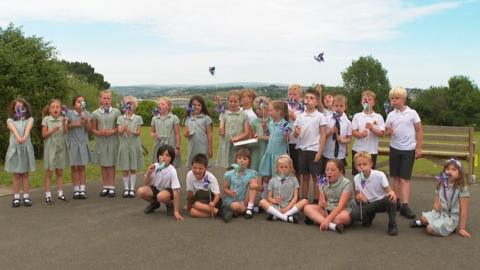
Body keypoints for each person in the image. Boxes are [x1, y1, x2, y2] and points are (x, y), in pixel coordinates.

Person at [385, 86, 423, 219]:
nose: (394, 101)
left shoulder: (412, 113)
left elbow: (419, 130)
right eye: (392, 99)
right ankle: (396, 202)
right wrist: (389, 131)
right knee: (395, 177)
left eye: (397, 98)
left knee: (405, 178)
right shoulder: (390, 115)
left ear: (403, 99)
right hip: (394, 148)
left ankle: (405, 206)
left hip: (408, 149)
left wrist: (418, 148)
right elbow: (387, 132)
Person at [410, 159, 471, 238]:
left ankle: (449, 228)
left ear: (459, 174)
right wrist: (437, 207)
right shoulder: (441, 185)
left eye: (453, 170)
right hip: (440, 213)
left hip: (450, 217)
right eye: (447, 169)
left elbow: (464, 210)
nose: (450, 171)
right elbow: (435, 204)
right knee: (423, 219)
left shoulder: (462, 188)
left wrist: (462, 228)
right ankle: (437, 225)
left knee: (429, 229)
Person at [351, 151, 398, 236]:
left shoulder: (380, 175)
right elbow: (358, 195)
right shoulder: (356, 178)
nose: (362, 167)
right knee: (355, 214)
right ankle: (369, 216)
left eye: (364, 164)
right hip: (368, 203)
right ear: (355, 166)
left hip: (381, 202)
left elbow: (389, 191)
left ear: (371, 164)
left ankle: (392, 224)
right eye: (359, 165)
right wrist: (360, 198)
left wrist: (392, 192)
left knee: (390, 198)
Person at [293, 89, 327, 204]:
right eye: (306, 98)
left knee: (316, 177)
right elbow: (295, 133)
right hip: (302, 150)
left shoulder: (320, 116)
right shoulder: (299, 116)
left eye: (311, 98)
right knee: (305, 177)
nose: (308, 100)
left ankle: (317, 200)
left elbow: (323, 135)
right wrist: (296, 133)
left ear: (317, 102)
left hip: (314, 149)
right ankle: (304, 199)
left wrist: (319, 152)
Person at [303, 159, 355, 233]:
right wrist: (321, 199)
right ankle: (333, 226)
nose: (329, 172)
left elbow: (341, 206)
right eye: (327, 170)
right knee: (307, 208)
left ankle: (320, 220)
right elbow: (321, 204)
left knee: (344, 217)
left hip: (343, 210)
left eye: (333, 170)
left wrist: (328, 219)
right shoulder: (323, 181)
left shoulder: (346, 183)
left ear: (340, 171)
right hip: (329, 208)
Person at [137, 145, 183, 221]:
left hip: (168, 191)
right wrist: (148, 173)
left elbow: (176, 191)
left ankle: (169, 205)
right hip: (156, 188)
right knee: (140, 191)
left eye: (167, 155)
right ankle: (154, 204)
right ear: (158, 156)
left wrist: (176, 211)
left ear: (171, 158)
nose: (164, 157)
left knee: (161, 196)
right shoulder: (155, 166)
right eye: (161, 155)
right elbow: (145, 184)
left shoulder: (172, 170)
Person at [259, 155, 309, 223]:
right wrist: (274, 200)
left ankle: (277, 216)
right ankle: (286, 217)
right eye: (281, 167)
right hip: (277, 206)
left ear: (290, 168)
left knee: (305, 201)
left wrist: (288, 207)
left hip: (289, 205)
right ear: (277, 168)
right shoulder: (272, 180)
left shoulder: (294, 179)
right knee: (262, 202)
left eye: (286, 167)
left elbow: (295, 197)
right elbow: (269, 197)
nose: (283, 169)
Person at [5, 98, 35, 207]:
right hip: (15, 149)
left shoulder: (30, 119)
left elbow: (28, 129)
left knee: (25, 174)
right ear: (14, 109)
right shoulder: (10, 120)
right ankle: (16, 197)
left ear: (26, 108)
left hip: (25, 148)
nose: (19, 108)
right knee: (17, 174)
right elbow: (12, 129)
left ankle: (26, 196)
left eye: (22, 106)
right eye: (17, 107)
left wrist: (24, 137)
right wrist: (18, 137)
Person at [91, 89, 121, 197]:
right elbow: (93, 129)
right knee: (104, 164)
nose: (106, 101)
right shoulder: (95, 113)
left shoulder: (116, 112)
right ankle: (105, 186)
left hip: (112, 140)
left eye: (108, 98)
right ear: (100, 99)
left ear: (111, 99)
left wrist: (111, 131)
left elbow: (118, 127)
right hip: (101, 141)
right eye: (104, 98)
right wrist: (100, 132)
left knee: (111, 164)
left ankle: (112, 186)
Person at [258, 100, 290, 198]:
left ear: (279, 111)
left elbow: (287, 140)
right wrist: (264, 129)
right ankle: (264, 199)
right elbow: (271, 136)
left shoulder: (285, 124)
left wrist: (286, 135)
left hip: (279, 156)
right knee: (266, 177)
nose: (269, 112)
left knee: (278, 179)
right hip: (269, 154)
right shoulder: (271, 123)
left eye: (271, 110)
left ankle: (278, 199)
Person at [351, 90, 385, 176]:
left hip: (371, 151)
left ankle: (367, 190)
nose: (367, 102)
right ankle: (358, 190)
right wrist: (361, 134)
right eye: (365, 100)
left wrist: (373, 129)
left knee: (369, 176)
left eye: (369, 100)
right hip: (358, 150)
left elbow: (381, 133)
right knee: (358, 176)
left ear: (374, 102)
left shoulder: (378, 117)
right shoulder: (357, 116)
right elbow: (353, 132)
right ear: (361, 102)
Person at [42, 99, 69, 204]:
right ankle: (48, 195)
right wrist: (52, 130)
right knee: (49, 172)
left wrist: (64, 123)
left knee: (59, 172)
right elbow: (43, 135)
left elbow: (66, 132)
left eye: (57, 107)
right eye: (53, 107)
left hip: (61, 148)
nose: (55, 109)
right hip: (50, 148)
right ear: (49, 110)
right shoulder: (46, 120)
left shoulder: (63, 118)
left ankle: (60, 193)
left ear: (61, 109)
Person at [222, 148, 260, 222]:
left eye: (245, 159)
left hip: (245, 199)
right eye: (239, 158)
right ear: (236, 160)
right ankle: (251, 209)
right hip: (233, 200)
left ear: (249, 161)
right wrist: (230, 192)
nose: (242, 161)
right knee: (236, 206)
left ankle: (249, 207)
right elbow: (225, 188)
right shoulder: (229, 174)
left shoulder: (252, 173)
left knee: (253, 183)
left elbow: (261, 189)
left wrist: (255, 186)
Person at [117, 96, 144, 198]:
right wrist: (123, 128)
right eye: (127, 104)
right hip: (124, 146)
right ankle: (126, 188)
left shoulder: (138, 118)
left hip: (134, 146)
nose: (129, 106)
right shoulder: (120, 118)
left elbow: (138, 133)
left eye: (131, 104)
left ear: (135, 106)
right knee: (125, 168)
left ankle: (132, 188)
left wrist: (130, 131)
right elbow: (119, 132)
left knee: (133, 167)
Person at [216, 90, 250, 168]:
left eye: (235, 101)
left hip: (238, 144)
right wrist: (221, 129)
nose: (233, 103)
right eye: (230, 101)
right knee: (226, 166)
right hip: (226, 144)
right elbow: (221, 125)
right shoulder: (224, 113)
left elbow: (247, 132)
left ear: (240, 102)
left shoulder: (244, 115)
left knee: (237, 166)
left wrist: (236, 138)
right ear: (228, 101)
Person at [320, 94, 352, 174]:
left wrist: (343, 140)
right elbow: (322, 136)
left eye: (341, 106)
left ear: (345, 107)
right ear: (333, 106)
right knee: (326, 176)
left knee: (340, 176)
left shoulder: (347, 123)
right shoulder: (326, 120)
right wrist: (330, 132)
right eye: (336, 105)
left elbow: (349, 138)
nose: (338, 108)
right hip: (327, 154)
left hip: (340, 155)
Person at [67, 95, 91, 199]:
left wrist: (85, 121)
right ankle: (76, 190)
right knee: (74, 167)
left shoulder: (87, 114)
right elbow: (65, 127)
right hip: (72, 143)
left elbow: (90, 129)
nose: (80, 103)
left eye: (82, 101)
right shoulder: (69, 113)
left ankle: (82, 189)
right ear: (74, 104)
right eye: (78, 101)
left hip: (82, 143)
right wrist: (73, 124)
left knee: (82, 166)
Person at [185, 153, 222, 218]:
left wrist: (213, 203)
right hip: (200, 200)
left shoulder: (210, 177)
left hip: (213, 201)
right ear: (191, 167)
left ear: (206, 168)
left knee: (196, 204)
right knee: (193, 212)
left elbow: (217, 194)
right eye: (194, 168)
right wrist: (189, 206)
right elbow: (190, 193)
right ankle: (217, 213)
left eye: (200, 168)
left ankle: (218, 211)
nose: (197, 171)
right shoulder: (189, 175)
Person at [151, 97, 181, 167]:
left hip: (171, 145)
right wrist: (153, 134)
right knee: (159, 166)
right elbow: (152, 131)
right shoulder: (154, 118)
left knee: (170, 166)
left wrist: (177, 147)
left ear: (168, 107)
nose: (160, 105)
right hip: (159, 144)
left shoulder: (174, 118)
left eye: (163, 104)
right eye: (159, 104)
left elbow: (177, 134)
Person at [184, 95, 213, 167]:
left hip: (203, 146)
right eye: (194, 105)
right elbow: (185, 134)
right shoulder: (188, 119)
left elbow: (209, 134)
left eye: (199, 105)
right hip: (192, 146)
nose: (196, 106)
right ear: (190, 106)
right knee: (192, 164)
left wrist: (210, 148)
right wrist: (186, 133)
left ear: (202, 107)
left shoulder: (206, 118)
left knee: (202, 164)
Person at [250, 96, 270, 171]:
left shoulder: (271, 120)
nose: (257, 111)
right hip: (257, 149)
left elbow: (272, 137)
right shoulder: (255, 121)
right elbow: (253, 135)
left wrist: (261, 136)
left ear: (266, 108)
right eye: (256, 109)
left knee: (266, 171)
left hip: (266, 149)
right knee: (256, 169)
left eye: (260, 108)